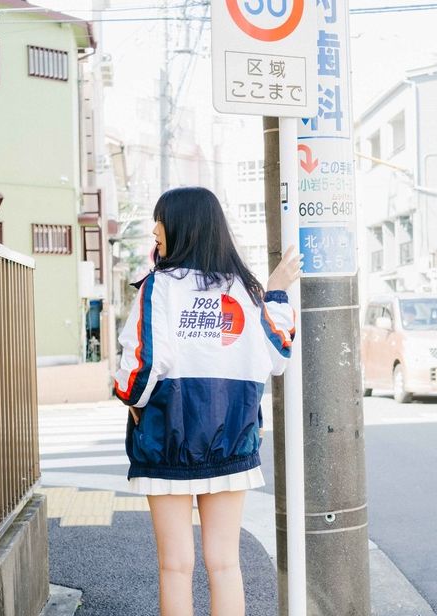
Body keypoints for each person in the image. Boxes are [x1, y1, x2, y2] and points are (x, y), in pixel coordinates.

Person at [114, 187, 301, 616]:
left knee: (175, 565)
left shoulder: (159, 287)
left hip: (167, 441)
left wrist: (130, 399)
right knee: (225, 563)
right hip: (232, 439)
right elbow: (277, 354)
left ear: (181, 226)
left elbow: (141, 364)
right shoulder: (246, 290)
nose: (154, 230)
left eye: (160, 220)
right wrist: (275, 291)